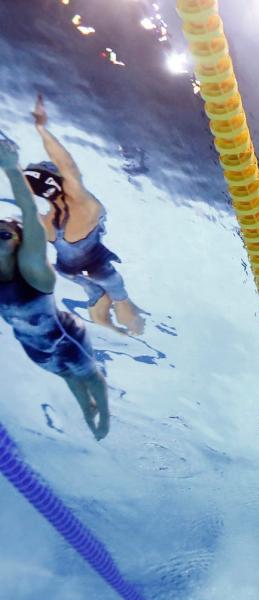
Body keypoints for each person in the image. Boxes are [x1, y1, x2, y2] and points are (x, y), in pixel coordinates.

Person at [0, 132, 109, 439]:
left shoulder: (33, 272)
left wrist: (10, 168)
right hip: (35, 349)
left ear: (21, 243)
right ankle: (88, 413)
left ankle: (104, 421)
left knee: (91, 379)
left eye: (4, 235)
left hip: (66, 340)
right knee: (67, 378)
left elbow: (29, 215)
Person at [24, 95, 145, 335]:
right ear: (59, 180)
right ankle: (134, 329)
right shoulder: (83, 204)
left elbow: (24, 189)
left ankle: (114, 329)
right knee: (125, 306)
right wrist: (41, 129)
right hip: (100, 269)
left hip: (67, 270)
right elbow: (67, 164)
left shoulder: (45, 222)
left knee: (98, 313)